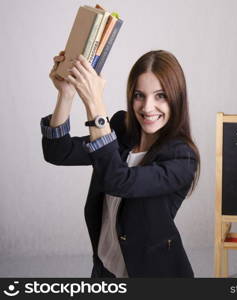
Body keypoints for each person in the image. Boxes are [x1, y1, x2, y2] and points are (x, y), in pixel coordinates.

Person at [40, 50, 200, 277]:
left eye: (160, 96)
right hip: (104, 270)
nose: (147, 107)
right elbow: (59, 152)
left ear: (177, 98)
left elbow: (118, 180)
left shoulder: (182, 158)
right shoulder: (121, 130)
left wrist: (95, 105)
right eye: (139, 95)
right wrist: (66, 94)